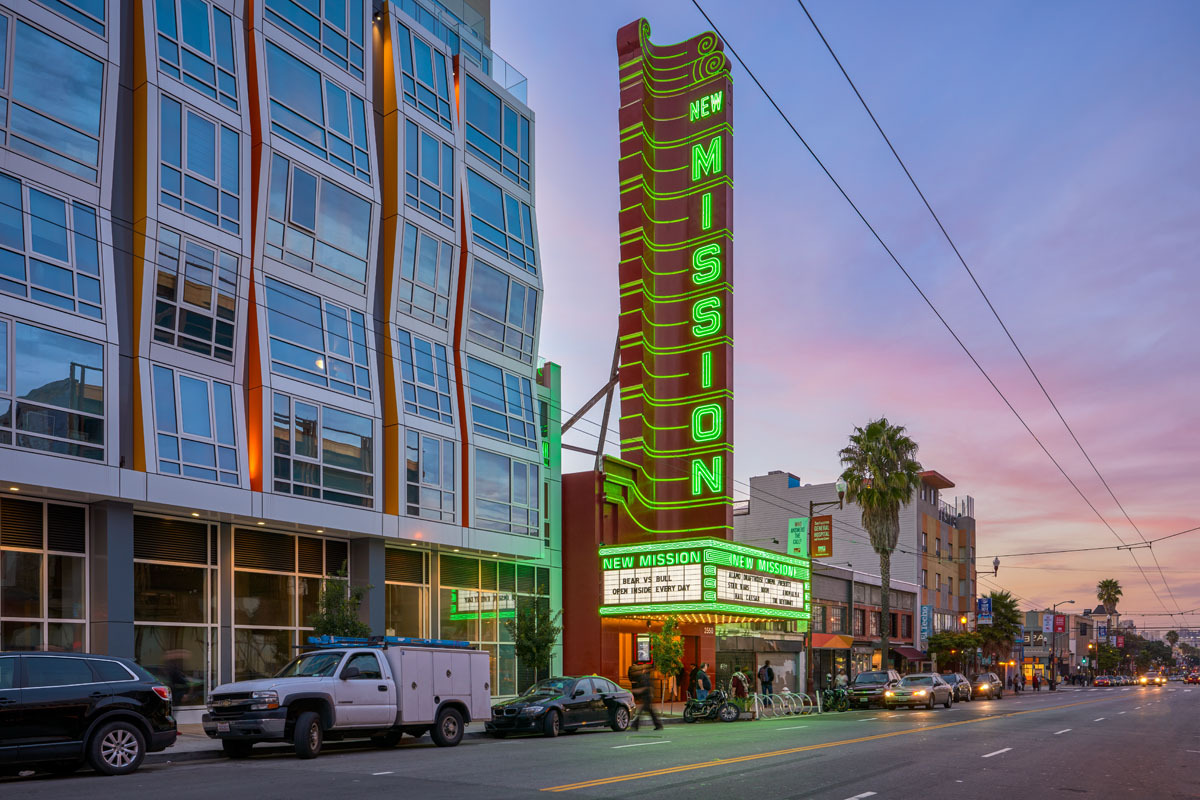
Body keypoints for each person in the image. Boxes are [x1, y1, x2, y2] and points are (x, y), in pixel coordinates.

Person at [629, 663, 662, 731]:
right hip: (646, 697)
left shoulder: (645, 677)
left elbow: (645, 688)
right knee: (651, 712)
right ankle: (658, 725)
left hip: (647, 698)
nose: (635, 672)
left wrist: (634, 690)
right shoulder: (645, 676)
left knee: (641, 713)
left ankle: (635, 726)